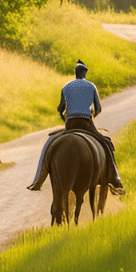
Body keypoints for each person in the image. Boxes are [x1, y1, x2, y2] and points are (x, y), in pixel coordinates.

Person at [27, 60, 125, 195]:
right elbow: (98, 108)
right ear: (85, 73)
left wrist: (65, 118)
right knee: (107, 143)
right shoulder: (91, 86)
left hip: (70, 123)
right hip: (86, 123)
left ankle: (38, 179)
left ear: (75, 73)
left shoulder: (66, 87)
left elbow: (60, 108)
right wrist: (92, 117)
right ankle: (115, 179)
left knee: (48, 144)